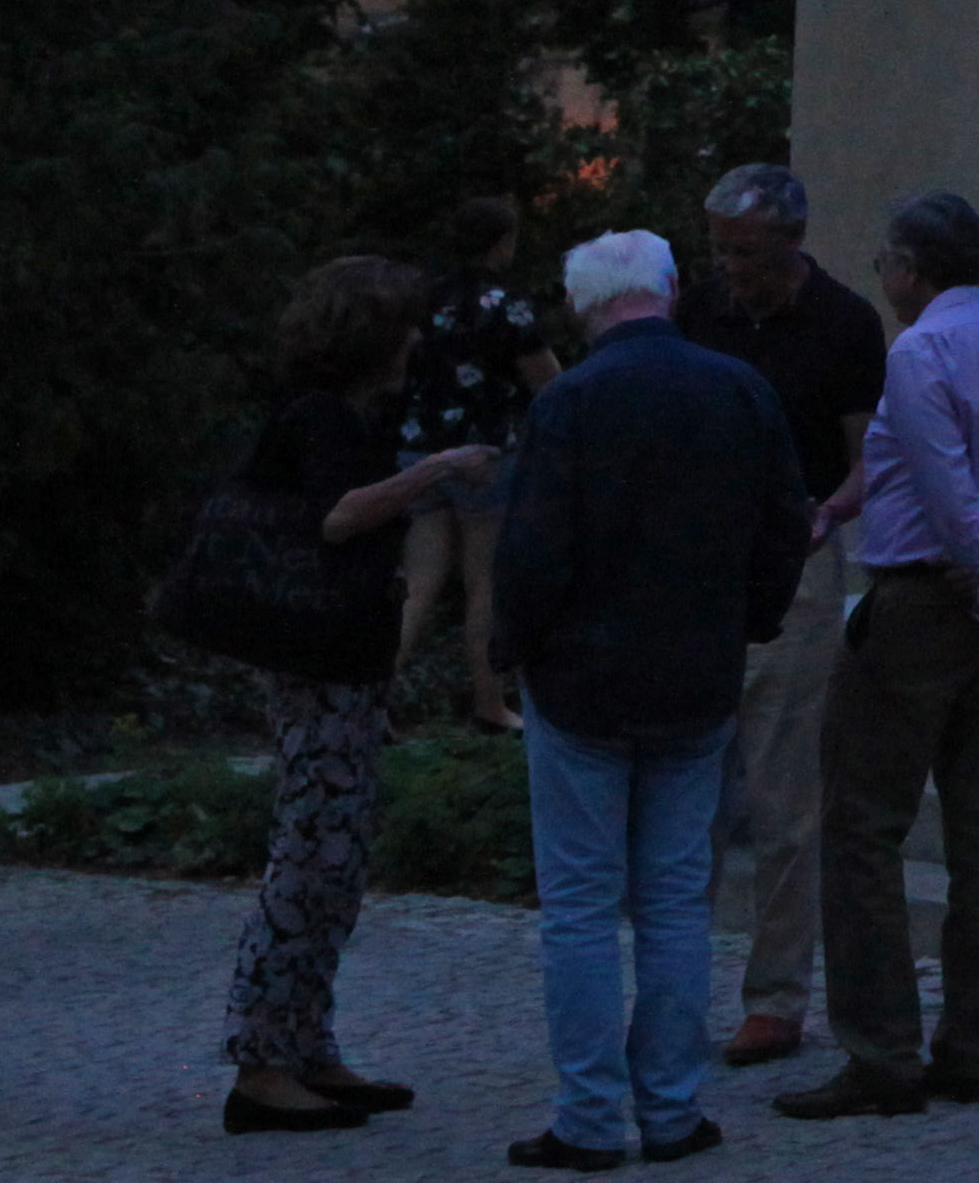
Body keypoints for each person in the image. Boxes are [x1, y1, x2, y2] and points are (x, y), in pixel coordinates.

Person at [492, 230, 809, 1173]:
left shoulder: (570, 402)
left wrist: (516, 650)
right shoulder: (739, 389)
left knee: (581, 905)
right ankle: (671, 1109)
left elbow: (532, 550)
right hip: (697, 675)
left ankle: (590, 1118)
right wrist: (749, 623)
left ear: (581, 304)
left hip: (580, 683)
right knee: (675, 903)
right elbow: (784, 526)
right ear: (669, 289)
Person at [780, 194, 979, 1123]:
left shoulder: (922, 352)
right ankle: (969, 1048)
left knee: (862, 826)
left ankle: (882, 1052)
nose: (882, 277)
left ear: (912, 269)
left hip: (930, 605)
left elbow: (949, 492)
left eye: (885, 262)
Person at [219, 255, 497, 1136]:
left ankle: (305, 1047)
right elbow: (336, 517)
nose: (416, 342)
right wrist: (436, 469)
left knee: (334, 861)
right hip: (321, 665)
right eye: (405, 327)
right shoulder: (324, 418)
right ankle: (264, 1061)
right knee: (310, 858)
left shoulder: (330, 414)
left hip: (338, 661)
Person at [668, 166, 888, 1070]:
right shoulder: (698, 314)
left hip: (794, 561)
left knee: (785, 795)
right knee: (687, 792)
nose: (732, 269)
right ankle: (676, 990)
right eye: (721, 251)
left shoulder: (843, 324)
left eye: (748, 254)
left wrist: (828, 513)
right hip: (697, 566)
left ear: (792, 243)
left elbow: (868, 455)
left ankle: (777, 997)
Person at [390, 196, 561, 732]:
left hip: (419, 451)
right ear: (501, 243)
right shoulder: (504, 304)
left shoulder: (418, 298)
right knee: (484, 583)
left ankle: (371, 698)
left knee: (419, 584)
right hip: (485, 457)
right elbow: (551, 385)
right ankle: (490, 702)